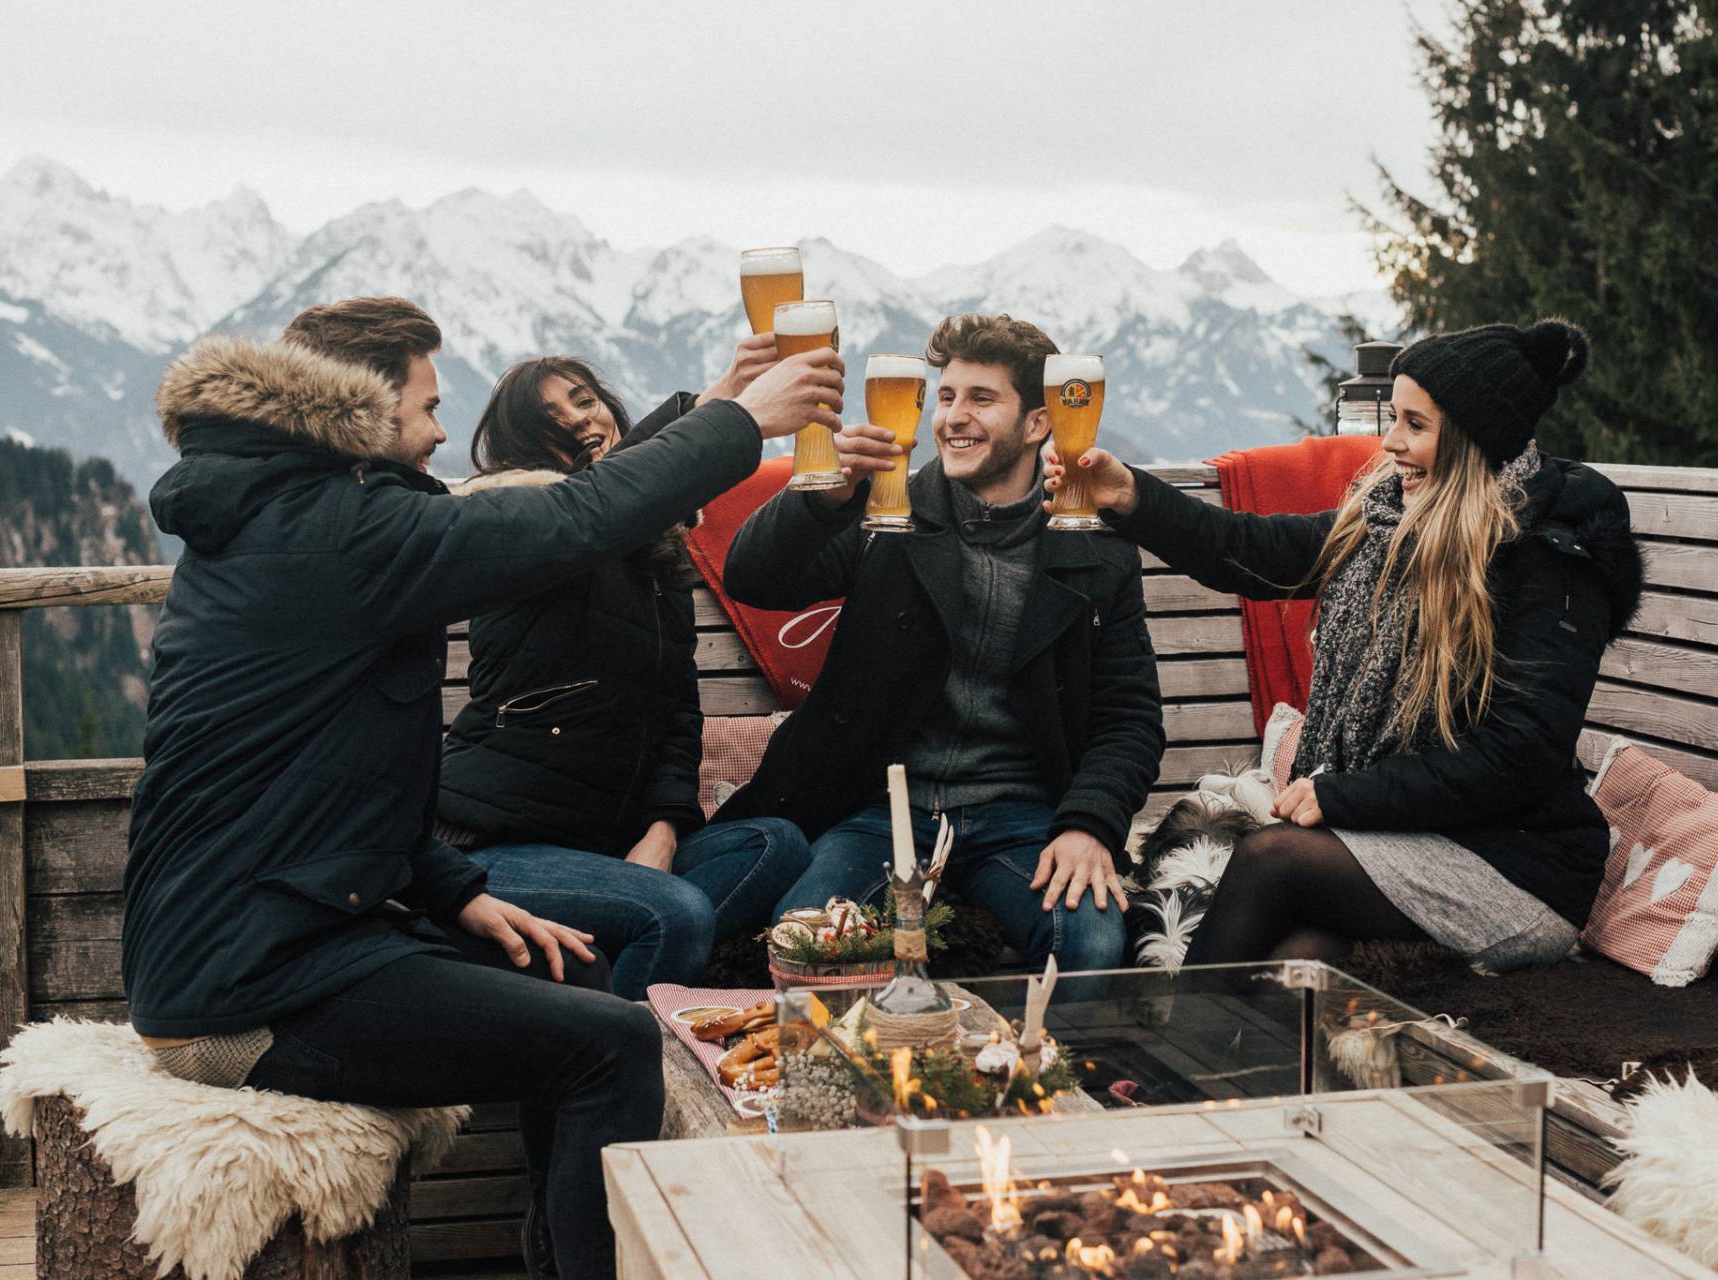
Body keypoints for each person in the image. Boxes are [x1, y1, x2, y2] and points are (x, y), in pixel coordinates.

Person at [121, 296, 843, 1279]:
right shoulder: (343, 533)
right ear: (364, 412)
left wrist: (459, 890)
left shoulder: (289, 518)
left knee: (580, 975)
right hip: (249, 987)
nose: (434, 430)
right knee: (614, 1043)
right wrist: (741, 420)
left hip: (291, 933)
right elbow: (576, 514)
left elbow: (341, 778)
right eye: (423, 404)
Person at [1049, 319, 1642, 973]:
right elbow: (1255, 552)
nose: (1390, 442)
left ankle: (1160, 1069)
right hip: (1407, 836)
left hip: (1515, 869)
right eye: (1394, 418)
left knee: (1272, 858)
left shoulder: (1551, 560)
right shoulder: (1385, 520)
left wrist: (1342, 795)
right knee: (1295, 965)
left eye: (1416, 425)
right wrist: (1129, 495)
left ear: (1476, 437)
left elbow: (1519, 754)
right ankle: (1201, 1065)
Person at [715, 313, 1165, 974]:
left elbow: (1130, 719)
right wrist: (822, 494)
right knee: (806, 938)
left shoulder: (1093, 547)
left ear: (1038, 424)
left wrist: (1088, 825)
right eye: (946, 397)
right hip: (880, 807)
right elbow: (755, 577)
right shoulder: (887, 507)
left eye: (982, 399)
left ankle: (1029, 1079)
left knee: (1092, 942)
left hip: (1019, 815)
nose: (954, 416)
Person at [435, 342, 812, 997]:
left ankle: (604, 972)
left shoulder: (652, 557)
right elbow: (594, 504)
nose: (580, 419)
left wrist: (661, 834)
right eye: (550, 417)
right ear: (525, 445)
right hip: (492, 841)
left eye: (584, 400)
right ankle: (616, 1046)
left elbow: (677, 712)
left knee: (775, 844)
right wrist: (710, 408)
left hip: (604, 845)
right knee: (677, 912)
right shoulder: (520, 530)